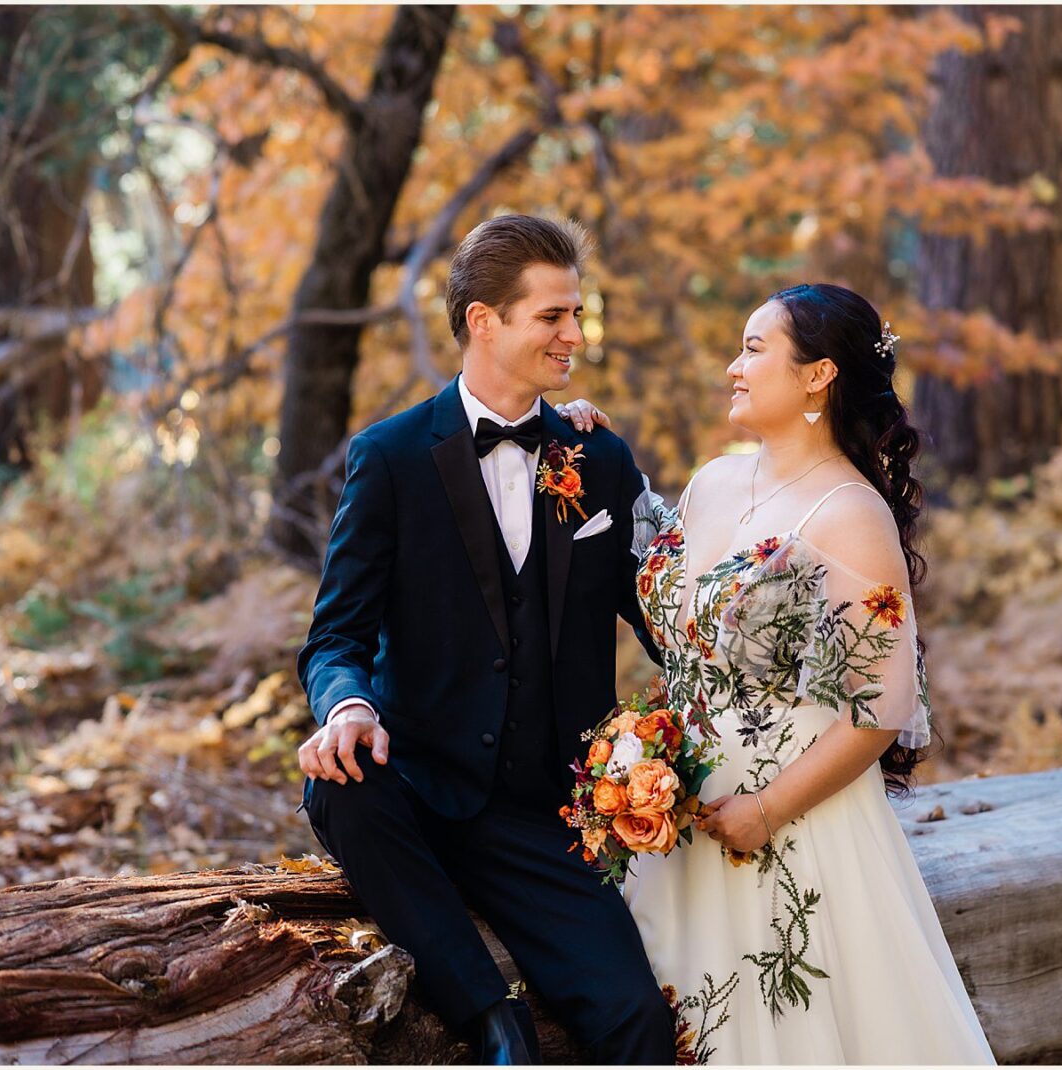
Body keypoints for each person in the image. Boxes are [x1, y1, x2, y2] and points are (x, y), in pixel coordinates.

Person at [294, 214, 676, 1065]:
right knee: (339, 784)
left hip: (545, 815)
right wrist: (347, 705)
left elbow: (664, 625)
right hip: (418, 789)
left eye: (577, 314)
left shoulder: (596, 458)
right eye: (553, 317)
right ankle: (490, 1017)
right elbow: (335, 637)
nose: (576, 334)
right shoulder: (389, 458)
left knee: (636, 1021)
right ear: (483, 321)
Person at [620, 283, 998, 1064]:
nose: (735, 366)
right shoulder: (712, 482)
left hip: (789, 830)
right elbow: (680, 637)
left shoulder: (850, 516)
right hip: (679, 825)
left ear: (818, 374)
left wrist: (764, 808)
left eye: (755, 349)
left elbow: (880, 711)